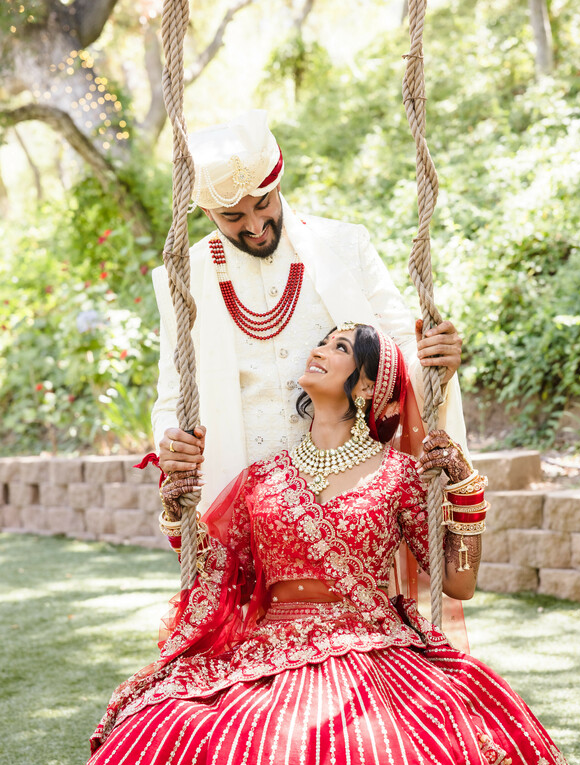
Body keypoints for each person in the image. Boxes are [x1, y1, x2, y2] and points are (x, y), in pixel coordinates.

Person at [63, 325, 580, 765]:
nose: (319, 351)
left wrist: (465, 491)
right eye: (323, 342)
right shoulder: (262, 479)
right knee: (174, 724)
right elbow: (215, 573)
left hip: (371, 647)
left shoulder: (399, 476)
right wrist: (175, 507)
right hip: (267, 651)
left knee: (394, 754)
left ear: (367, 384)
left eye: (340, 349)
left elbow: (459, 583)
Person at [151, 109, 467, 513]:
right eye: (233, 216)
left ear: (277, 183)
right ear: (208, 213)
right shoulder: (183, 279)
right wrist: (169, 438)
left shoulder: (344, 244)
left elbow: (403, 348)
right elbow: (170, 400)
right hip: (244, 509)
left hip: (354, 500)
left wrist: (436, 362)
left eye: (264, 203)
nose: (255, 225)